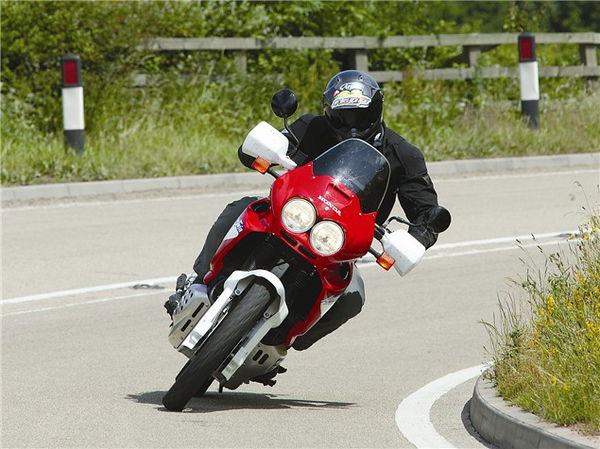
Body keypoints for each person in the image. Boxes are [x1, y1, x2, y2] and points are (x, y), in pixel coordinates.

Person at [167, 70, 448, 354]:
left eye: (359, 117)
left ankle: (283, 344)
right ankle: (200, 280)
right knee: (241, 208)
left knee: (353, 297)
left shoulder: (404, 155)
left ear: (376, 110)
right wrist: (256, 148)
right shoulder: (311, 126)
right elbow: (271, 144)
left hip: (334, 244)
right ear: (328, 111)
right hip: (287, 215)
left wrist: (421, 233)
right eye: (342, 117)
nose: (351, 126)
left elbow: (426, 211)